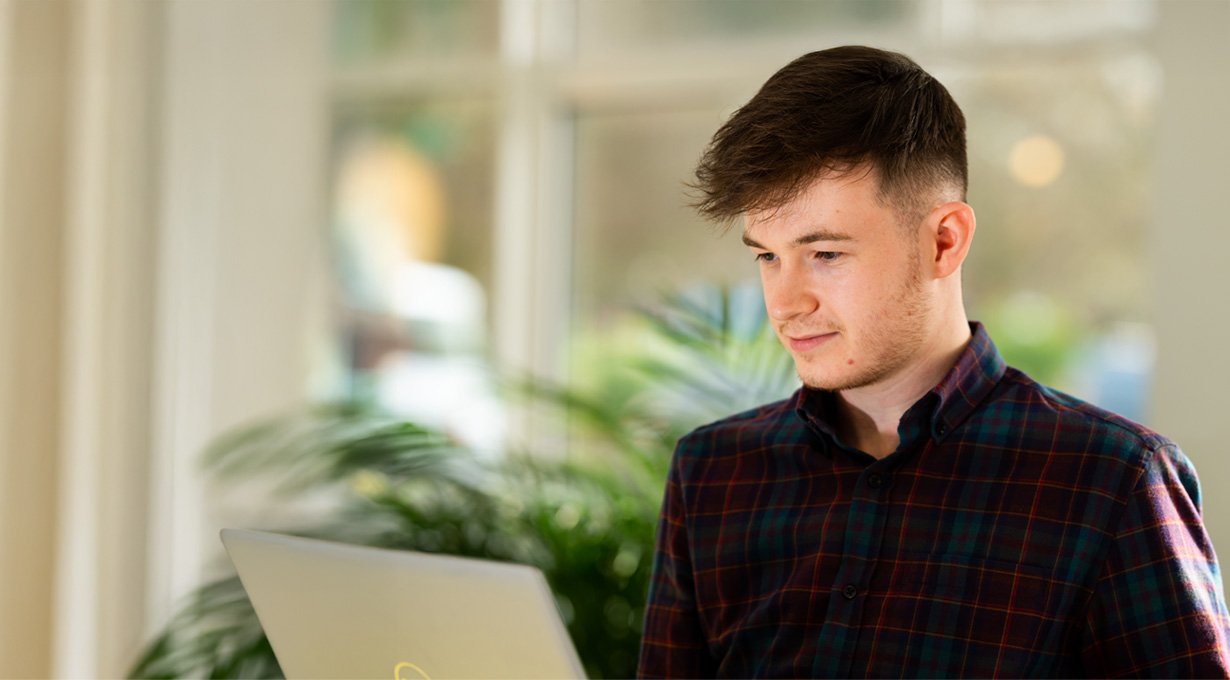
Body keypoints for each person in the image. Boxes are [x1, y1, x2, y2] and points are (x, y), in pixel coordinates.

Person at [636, 46, 1230, 678]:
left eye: (826, 254)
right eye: (766, 257)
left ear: (945, 240)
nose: (784, 305)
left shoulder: (1112, 482)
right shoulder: (711, 475)